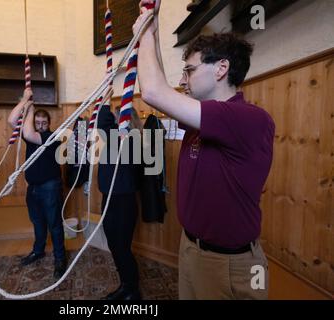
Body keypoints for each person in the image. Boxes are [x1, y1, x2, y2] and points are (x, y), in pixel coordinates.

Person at [134, 0, 275, 299]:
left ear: (222, 68)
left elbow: (153, 92)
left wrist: (144, 30)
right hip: (192, 249)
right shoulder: (204, 120)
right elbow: (162, 94)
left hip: (228, 264)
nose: (182, 80)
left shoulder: (246, 118)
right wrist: (154, 29)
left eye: (189, 70)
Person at [8, 88, 67, 279]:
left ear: (49, 124)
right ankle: (38, 250)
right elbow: (12, 120)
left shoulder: (52, 138)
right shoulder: (30, 135)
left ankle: (60, 259)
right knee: (37, 222)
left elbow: (28, 131)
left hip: (50, 187)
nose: (41, 125)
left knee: (54, 224)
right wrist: (25, 102)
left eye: (44, 122)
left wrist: (29, 105)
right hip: (32, 188)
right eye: (37, 122)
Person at [97, 104, 143, 300]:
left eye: (117, 117)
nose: (114, 121)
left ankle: (131, 289)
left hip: (123, 203)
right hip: (111, 199)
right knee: (115, 245)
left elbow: (102, 123)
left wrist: (105, 100)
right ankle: (126, 284)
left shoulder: (129, 139)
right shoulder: (120, 139)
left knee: (121, 247)